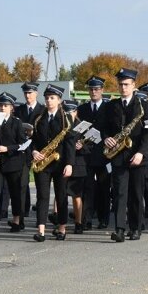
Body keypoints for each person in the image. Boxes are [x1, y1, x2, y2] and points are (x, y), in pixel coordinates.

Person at [102, 68, 148, 242]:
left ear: (134, 86)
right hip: (118, 156)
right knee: (119, 194)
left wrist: (141, 153)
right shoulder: (111, 106)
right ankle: (119, 229)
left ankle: (136, 227)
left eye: (126, 84)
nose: (123, 87)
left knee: (136, 194)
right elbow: (103, 128)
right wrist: (106, 138)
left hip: (137, 156)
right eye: (120, 84)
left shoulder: (145, 106)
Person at [31, 84, 74, 241]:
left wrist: (69, 164)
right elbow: (33, 141)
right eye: (47, 98)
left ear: (59, 100)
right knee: (42, 196)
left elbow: (70, 144)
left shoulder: (66, 120)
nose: (49, 101)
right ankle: (41, 230)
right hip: (43, 163)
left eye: (52, 98)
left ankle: (62, 228)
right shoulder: (38, 119)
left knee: (61, 195)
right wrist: (34, 152)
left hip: (61, 163)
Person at [77, 75, 110, 229]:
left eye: (96, 89)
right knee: (87, 188)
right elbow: (79, 129)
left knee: (104, 188)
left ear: (102, 90)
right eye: (91, 89)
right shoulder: (82, 109)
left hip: (104, 153)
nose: (93, 92)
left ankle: (104, 219)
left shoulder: (109, 107)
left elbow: (111, 128)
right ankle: (87, 219)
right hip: (87, 154)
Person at [0, 92, 28, 232]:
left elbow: (23, 143)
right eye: (0, 105)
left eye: (5, 105)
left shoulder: (16, 122)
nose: (2, 108)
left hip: (13, 162)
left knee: (15, 192)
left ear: (11, 107)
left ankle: (17, 220)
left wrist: (8, 148)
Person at [14, 82, 44, 219]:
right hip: (23, 149)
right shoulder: (19, 110)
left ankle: (40, 208)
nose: (28, 95)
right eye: (26, 93)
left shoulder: (42, 109)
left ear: (36, 93)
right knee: (22, 182)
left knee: (40, 182)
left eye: (30, 93)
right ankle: (22, 210)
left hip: (38, 149)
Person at [63, 98, 90, 234]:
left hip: (79, 164)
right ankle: (59, 221)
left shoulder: (83, 126)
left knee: (76, 195)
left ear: (76, 112)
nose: (68, 114)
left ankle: (79, 222)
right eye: (66, 112)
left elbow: (91, 146)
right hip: (63, 162)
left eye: (71, 112)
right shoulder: (61, 124)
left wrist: (82, 146)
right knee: (61, 193)